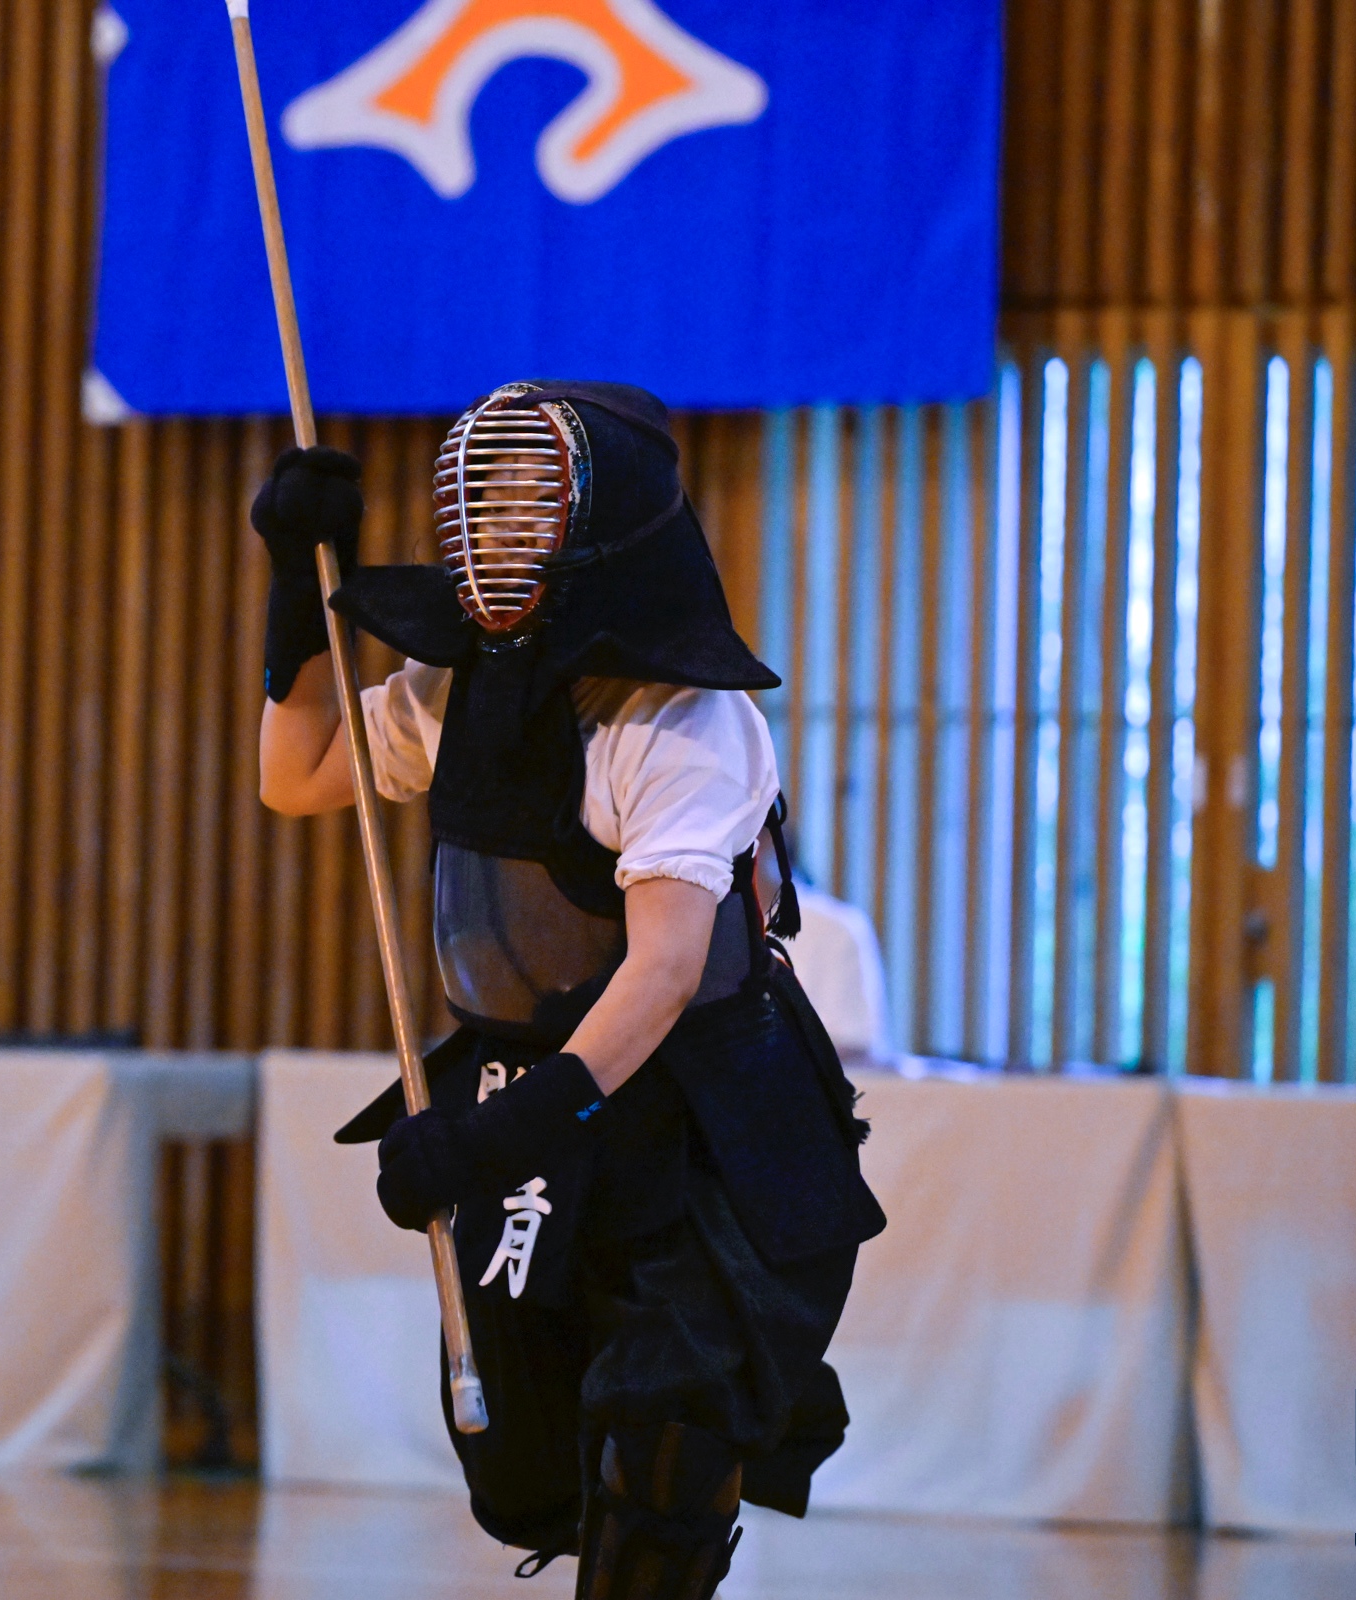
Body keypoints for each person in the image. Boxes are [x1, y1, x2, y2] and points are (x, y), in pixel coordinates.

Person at [253, 382, 885, 1598]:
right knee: (530, 1456)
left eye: (530, 506)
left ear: (604, 524)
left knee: (668, 1426)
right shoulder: (456, 688)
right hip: (528, 1086)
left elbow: (665, 968)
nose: (499, 530)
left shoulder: (682, 718)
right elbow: (301, 771)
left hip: (693, 1112)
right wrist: (294, 577)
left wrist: (497, 1137)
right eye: (485, 504)